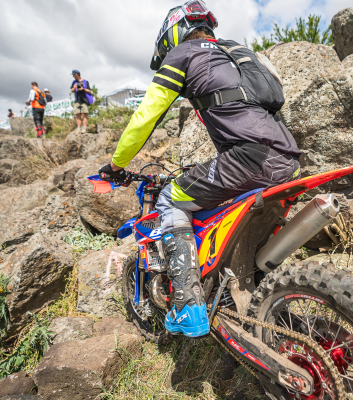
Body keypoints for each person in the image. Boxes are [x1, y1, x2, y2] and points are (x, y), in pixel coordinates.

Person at [98, 1, 301, 337]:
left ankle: (187, 306)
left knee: (169, 199)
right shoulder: (238, 52)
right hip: (288, 158)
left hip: (249, 159)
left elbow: (145, 117)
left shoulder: (183, 54)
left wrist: (116, 165)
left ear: (173, 35)